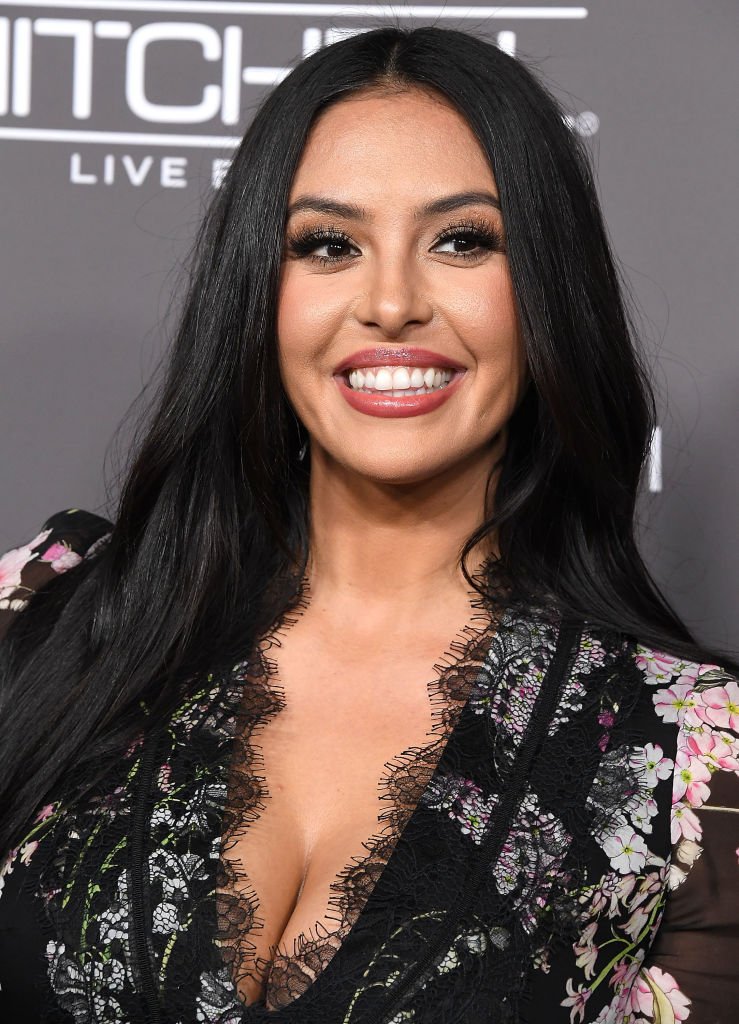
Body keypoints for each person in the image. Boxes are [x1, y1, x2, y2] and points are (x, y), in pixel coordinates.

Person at [0, 24, 736, 1024]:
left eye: (463, 240)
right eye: (328, 244)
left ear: (546, 293)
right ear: (261, 292)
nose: (390, 302)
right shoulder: (44, 610)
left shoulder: (692, 753)